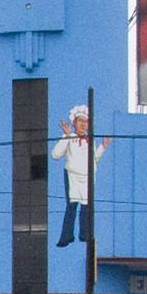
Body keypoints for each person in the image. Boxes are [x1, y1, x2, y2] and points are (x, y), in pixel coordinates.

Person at [50, 104, 112, 248]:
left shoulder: (90, 139)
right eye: (80, 121)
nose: (83, 124)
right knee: (72, 205)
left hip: (88, 176)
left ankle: (85, 234)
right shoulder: (69, 137)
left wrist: (103, 146)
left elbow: (94, 159)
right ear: (74, 123)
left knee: (86, 206)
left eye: (86, 122)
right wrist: (65, 135)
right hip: (73, 175)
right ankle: (66, 236)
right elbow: (56, 154)